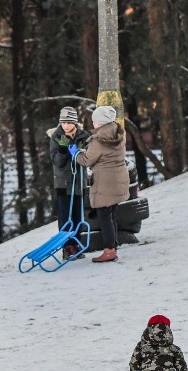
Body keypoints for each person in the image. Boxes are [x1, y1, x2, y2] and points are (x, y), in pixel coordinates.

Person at [71, 105, 129, 263]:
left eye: (95, 121)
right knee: (111, 215)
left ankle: (109, 251)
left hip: (105, 182)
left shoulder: (98, 140)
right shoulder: (118, 133)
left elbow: (87, 160)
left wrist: (76, 153)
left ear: (101, 122)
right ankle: (113, 247)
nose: (93, 123)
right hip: (118, 178)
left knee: (104, 217)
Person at [47, 106, 91, 259]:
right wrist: (62, 150)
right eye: (63, 122)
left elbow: (88, 157)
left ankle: (77, 244)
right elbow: (57, 163)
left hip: (79, 182)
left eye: (69, 122)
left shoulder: (83, 136)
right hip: (63, 184)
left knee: (78, 216)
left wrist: (81, 152)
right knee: (66, 217)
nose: (66, 126)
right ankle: (67, 247)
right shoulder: (56, 137)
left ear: (75, 122)